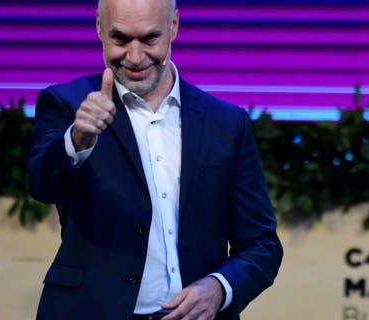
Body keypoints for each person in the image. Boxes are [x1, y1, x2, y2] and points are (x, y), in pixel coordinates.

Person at [27, 0, 283, 319]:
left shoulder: (227, 123)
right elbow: (41, 186)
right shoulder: (68, 104)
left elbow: (261, 244)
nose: (135, 57)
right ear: (98, 26)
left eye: (150, 39)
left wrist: (219, 288)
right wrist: (78, 137)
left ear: (173, 26)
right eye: (120, 39)